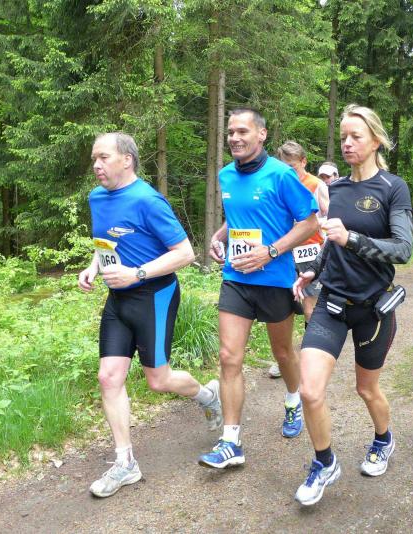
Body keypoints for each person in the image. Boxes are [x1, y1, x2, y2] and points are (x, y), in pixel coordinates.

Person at [79, 132, 222, 498]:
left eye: (104, 157)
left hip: (154, 295)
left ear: (127, 159)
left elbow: (185, 253)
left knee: (158, 380)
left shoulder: (147, 200)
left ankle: (208, 396)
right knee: (109, 377)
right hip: (118, 298)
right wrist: (94, 266)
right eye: (94, 158)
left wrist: (137, 273)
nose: (96, 165)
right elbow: (107, 241)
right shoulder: (97, 197)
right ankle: (125, 462)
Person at [292, 104, 413, 506]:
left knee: (366, 388)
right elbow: (331, 240)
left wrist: (353, 240)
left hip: (372, 309)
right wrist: (314, 270)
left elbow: (403, 249)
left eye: (355, 136)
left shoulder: (393, 188)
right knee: (310, 391)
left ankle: (383, 439)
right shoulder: (337, 189)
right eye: (343, 136)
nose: (347, 143)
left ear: (375, 141)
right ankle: (324, 462)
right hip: (331, 302)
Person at [199, 109, 319, 468]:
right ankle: (230, 441)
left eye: (242, 131)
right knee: (229, 356)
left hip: (275, 279)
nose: (234, 138)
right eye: (230, 132)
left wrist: (271, 251)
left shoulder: (281, 175)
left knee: (282, 353)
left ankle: (294, 398)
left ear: (262, 134)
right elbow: (237, 217)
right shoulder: (225, 175)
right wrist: (219, 237)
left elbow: (309, 222)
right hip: (236, 278)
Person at [267, 142, 330, 379]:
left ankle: (310, 356)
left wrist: (311, 225)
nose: (289, 172)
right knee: (285, 307)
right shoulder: (278, 182)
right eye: (285, 167)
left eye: (293, 167)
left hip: (310, 251)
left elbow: (330, 215)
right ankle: (284, 358)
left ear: (303, 162)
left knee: (309, 306)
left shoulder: (316, 184)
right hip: (283, 251)